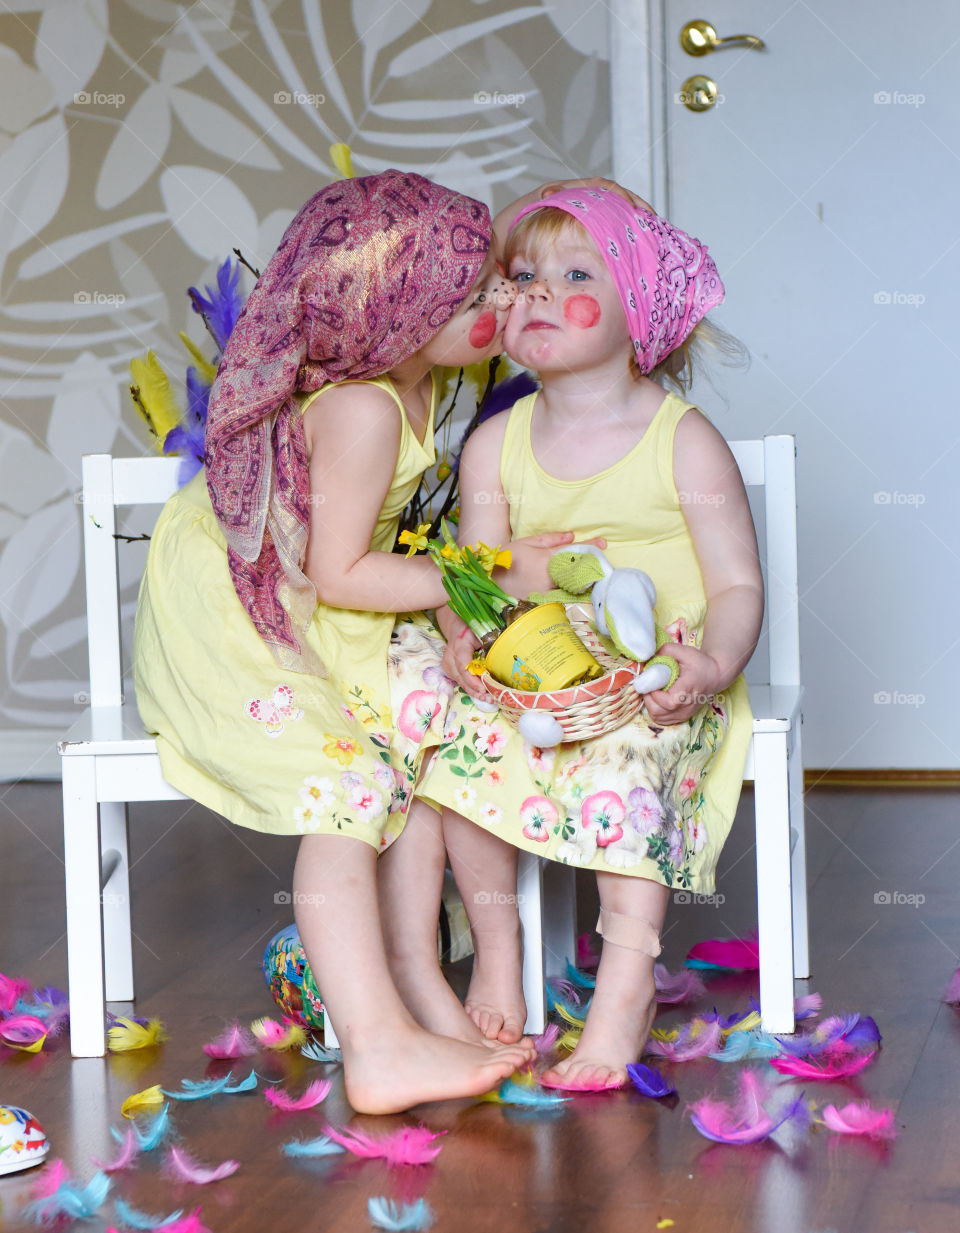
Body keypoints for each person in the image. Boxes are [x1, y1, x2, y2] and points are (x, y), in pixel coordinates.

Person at [133, 169, 633, 1114]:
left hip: (311, 596)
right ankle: (375, 1043)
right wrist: (487, 573)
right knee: (347, 788)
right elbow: (340, 573)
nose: (502, 301)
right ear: (393, 314)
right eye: (475, 290)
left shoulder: (422, 397)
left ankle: (420, 984)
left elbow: (373, 555)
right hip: (237, 611)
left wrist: (457, 595)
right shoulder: (362, 410)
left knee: (422, 736)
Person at [419, 187, 763, 1089]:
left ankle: (622, 985)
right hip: (534, 668)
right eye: (521, 275)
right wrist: (462, 631)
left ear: (636, 304)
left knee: (625, 767)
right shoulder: (494, 445)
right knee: (455, 754)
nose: (535, 293)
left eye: (575, 275)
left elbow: (735, 582)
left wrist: (711, 662)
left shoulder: (682, 440)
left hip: (654, 672)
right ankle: (499, 952)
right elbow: (472, 572)